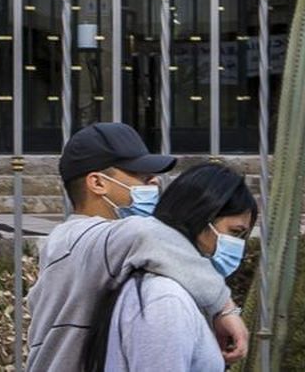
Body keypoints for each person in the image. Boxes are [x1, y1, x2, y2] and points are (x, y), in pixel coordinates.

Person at [25, 123, 248, 371]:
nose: (153, 183)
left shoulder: (73, 244)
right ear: (98, 183)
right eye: (140, 176)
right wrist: (223, 307)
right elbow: (146, 236)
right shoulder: (86, 239)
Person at [86, 163, 257, 372]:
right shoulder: (166, 300)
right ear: (200, 217)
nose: (239, 245)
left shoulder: (174, 291)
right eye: (234, 232)